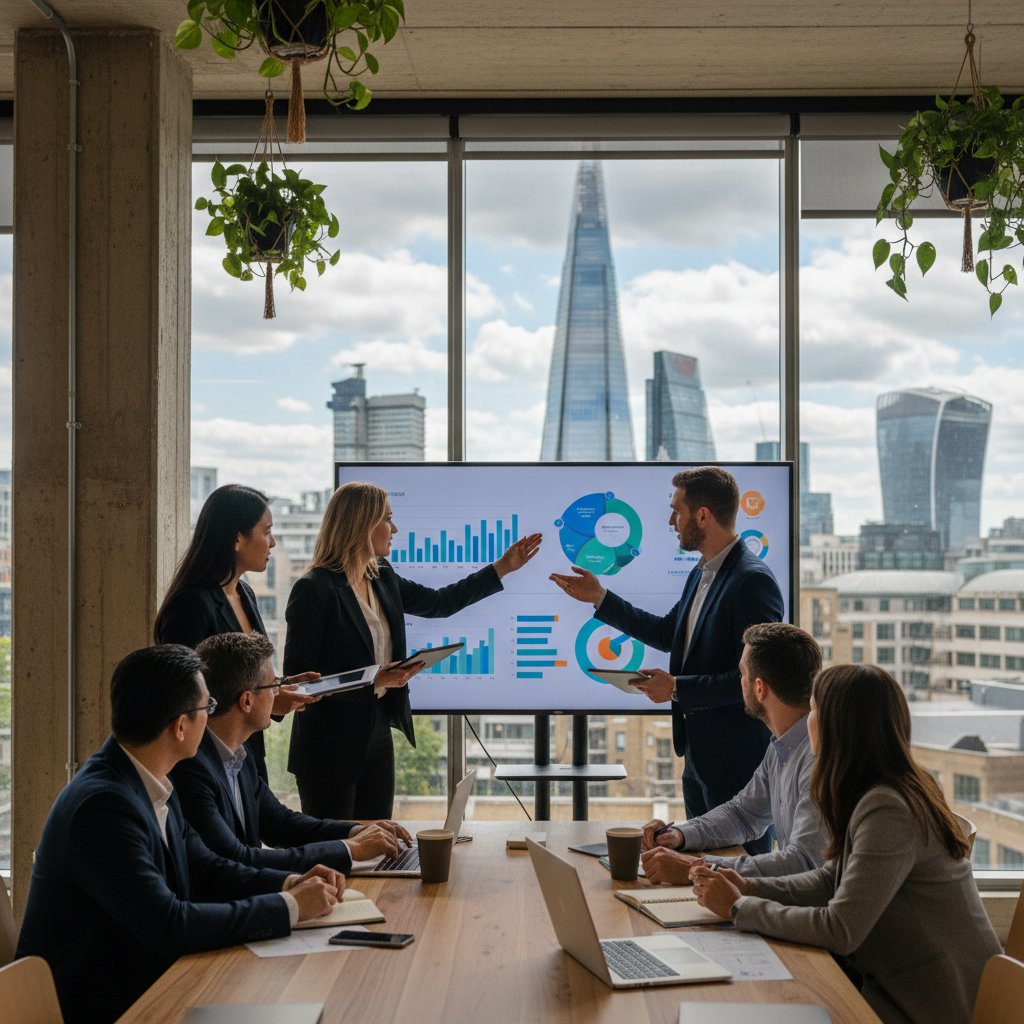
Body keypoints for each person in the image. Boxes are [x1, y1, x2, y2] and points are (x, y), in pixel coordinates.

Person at [15, 644, 342, 1024]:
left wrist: (290, 884)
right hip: (106, 1007)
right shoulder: (102, 807)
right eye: (207, 707)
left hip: (152, 986)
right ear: (180, 726)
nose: (213, 714)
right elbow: (169, 925)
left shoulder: (147, 780)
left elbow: (209, 868)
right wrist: (292, 908)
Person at [690, 664, 1001, 1024]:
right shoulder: (877, 790)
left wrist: (739, 908)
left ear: (838, 726)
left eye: (815, 709)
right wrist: (750, 887)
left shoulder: (889, 808)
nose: (808, 719)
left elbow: (841, 929)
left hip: (932, 1004)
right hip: (900, 987)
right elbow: (829, 880)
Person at [551, 466, 784, 852]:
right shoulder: (701, 573)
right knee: (703, 872)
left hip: (737, 762)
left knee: (744, 878)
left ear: (703, 515)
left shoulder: (752, 581)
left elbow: (756, 680)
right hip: (697, 758)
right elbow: (666, 633)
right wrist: (600, 598)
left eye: (677, 510)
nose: (671, 521)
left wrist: (677, 688)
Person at [284, 481, 542, 820]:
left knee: (378, 841)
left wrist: (502, 568)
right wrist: (376, 679)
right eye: (387, 519)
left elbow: (439, 603)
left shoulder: (382, 576)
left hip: (376, 730)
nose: (395, 528)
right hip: (329, 745)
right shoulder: (313, 590)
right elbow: (300, 685)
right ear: (361, 525)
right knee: (336, 851)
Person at [172, 631, 414, 872]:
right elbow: (237, 860)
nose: (279, 692)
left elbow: (279, 823)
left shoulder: (239, 753)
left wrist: (357, 831)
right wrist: (349, 849)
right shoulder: (192, 766)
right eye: (274, 684)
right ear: (247, 701)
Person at [154, 483, 320, 783]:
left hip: (248, 758)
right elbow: (182, 698)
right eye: (266, 531)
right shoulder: (190, 606)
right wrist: (266, 700)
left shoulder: (245, 593)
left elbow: (238, 676)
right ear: (237, 539)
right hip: (206, 767)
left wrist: (276, 688)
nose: (272, 543)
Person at [642, 621, 826, 882]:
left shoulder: (820, 756)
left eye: (741, 674)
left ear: (759, 688)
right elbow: (743, 815)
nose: (739, 683)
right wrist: (681, 835)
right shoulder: (783, 746)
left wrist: (695, 867)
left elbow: (805, 864)